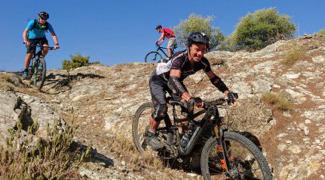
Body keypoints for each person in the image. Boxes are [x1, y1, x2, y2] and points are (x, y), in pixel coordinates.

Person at [146, 32, 237, 150]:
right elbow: (173, 79)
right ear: (189, 47)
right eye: (197, 49)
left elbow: (214, 78)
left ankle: (184, 136)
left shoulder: (203, 62)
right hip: (158, 80)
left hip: (174, 81)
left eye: (203, 50)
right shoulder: (180, 58)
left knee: (188, 106)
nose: (200, 53)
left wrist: (227, 92)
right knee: (162, 108)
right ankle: (150, 133)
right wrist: (189, 97)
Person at [22, 11, 60, 79]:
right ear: (39, 17)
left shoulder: (47, 25)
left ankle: (40, 59)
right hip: (31, 38)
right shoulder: (33, 22)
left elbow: (53, 35)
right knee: (29, 53)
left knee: (46, 48)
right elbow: (25, 31)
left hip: (42, 38)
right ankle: (25, 70)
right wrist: (25, 40)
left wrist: (56, 44)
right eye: (42, 18)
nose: (44, 20)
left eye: (45, 19)